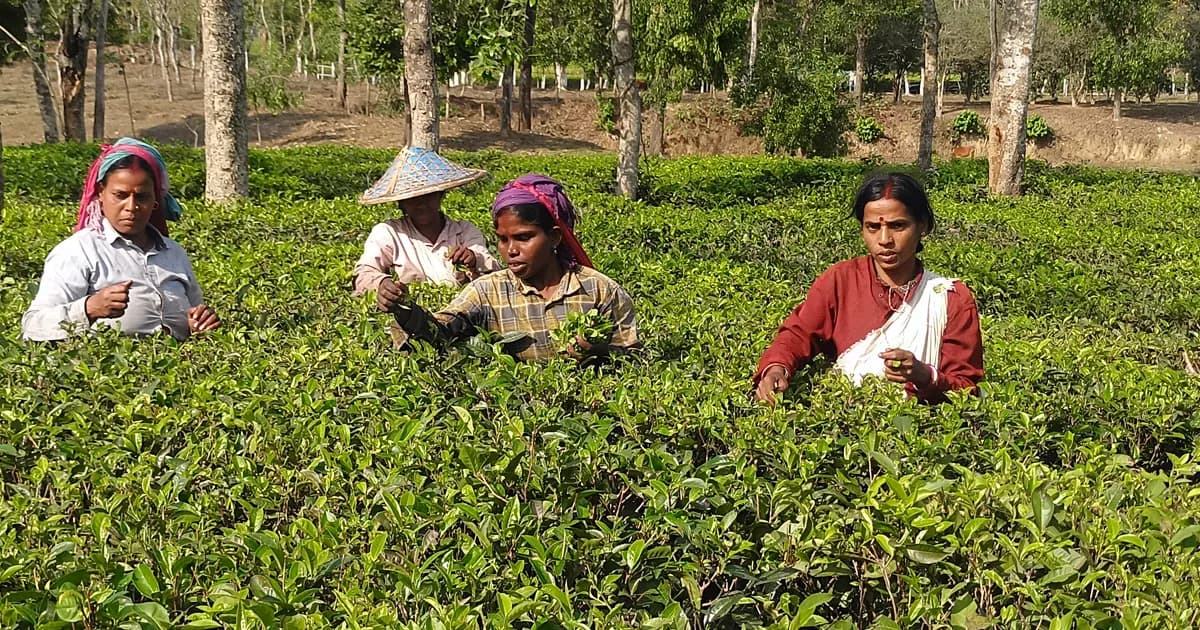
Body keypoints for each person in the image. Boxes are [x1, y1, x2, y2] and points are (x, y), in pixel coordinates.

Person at [753, 172, 983, 404]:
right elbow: (798, 334)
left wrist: (924, 376)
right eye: (873, 227)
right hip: (841, 417)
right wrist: (776, 369)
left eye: (897, 226)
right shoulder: (841, 281)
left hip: (922, 424)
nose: (884, 240)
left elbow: (967, 389)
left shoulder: (950, 298)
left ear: (922, 225)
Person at [389, 173, 638, 361]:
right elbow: (439, 332)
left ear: (554, 237)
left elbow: (636, 358)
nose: (511, 250)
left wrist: (601, 352)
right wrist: (404, 309)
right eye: (502, 239)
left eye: (523, 237)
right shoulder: (487, 292)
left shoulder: (599, 290)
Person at [21, 138, 220, 342]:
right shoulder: (78, 251)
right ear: (101, 193)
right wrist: (89, 308)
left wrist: (200, 324)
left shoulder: (173, 252)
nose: (131, 207)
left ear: (155, 199)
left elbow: (197, 312)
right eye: (120, 195)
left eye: (142, 197)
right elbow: (33, 325)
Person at [353, 146, 501, 314]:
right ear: (401, 203)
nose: (421, 204)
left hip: (465, 316)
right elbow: (364, 273)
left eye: (428, 195)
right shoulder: (389, 233)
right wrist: (381, 284)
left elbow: (493, 270)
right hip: (412, 318)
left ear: (440, 195)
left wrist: (473, 259)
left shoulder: (464, 231)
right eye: (412, 198)